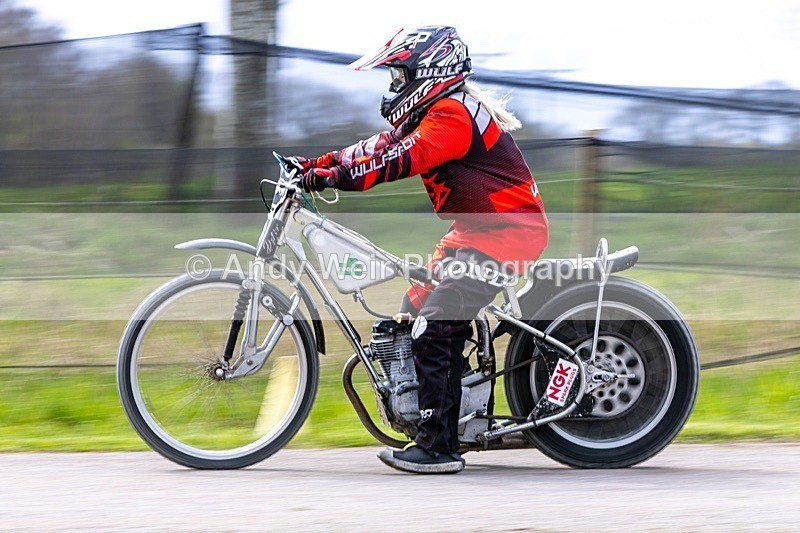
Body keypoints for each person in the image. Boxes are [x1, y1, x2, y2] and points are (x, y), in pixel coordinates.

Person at [297, 26, 548, 474]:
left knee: (435, 326)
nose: (394, 87)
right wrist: (314, 166)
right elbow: (371, 148)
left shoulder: (451, 116)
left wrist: (329, 179)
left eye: (398, 77)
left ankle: (440, 446)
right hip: (473, 233)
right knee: (412, 309)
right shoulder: (435, 113)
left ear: (428, 72)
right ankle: (453, 410)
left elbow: (397, 161)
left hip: (507, 233)